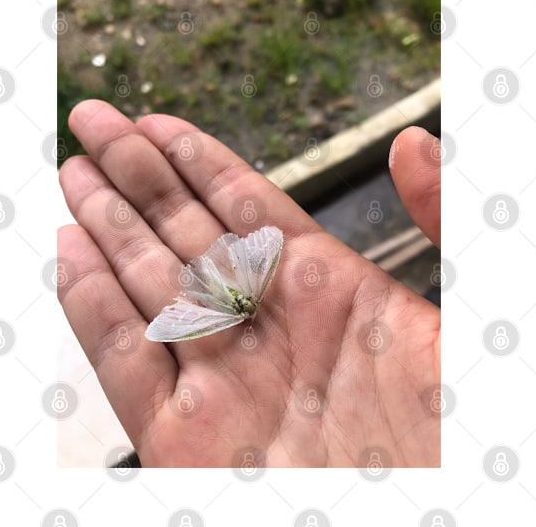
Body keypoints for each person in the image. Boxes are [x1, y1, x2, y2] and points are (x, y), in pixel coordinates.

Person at [58, 99, 441, 467]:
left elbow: (267, 243)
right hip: (229, 284)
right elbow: (269, 242)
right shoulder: (250, 297)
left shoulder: (234, 311)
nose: (250, 315)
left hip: (218, 296)